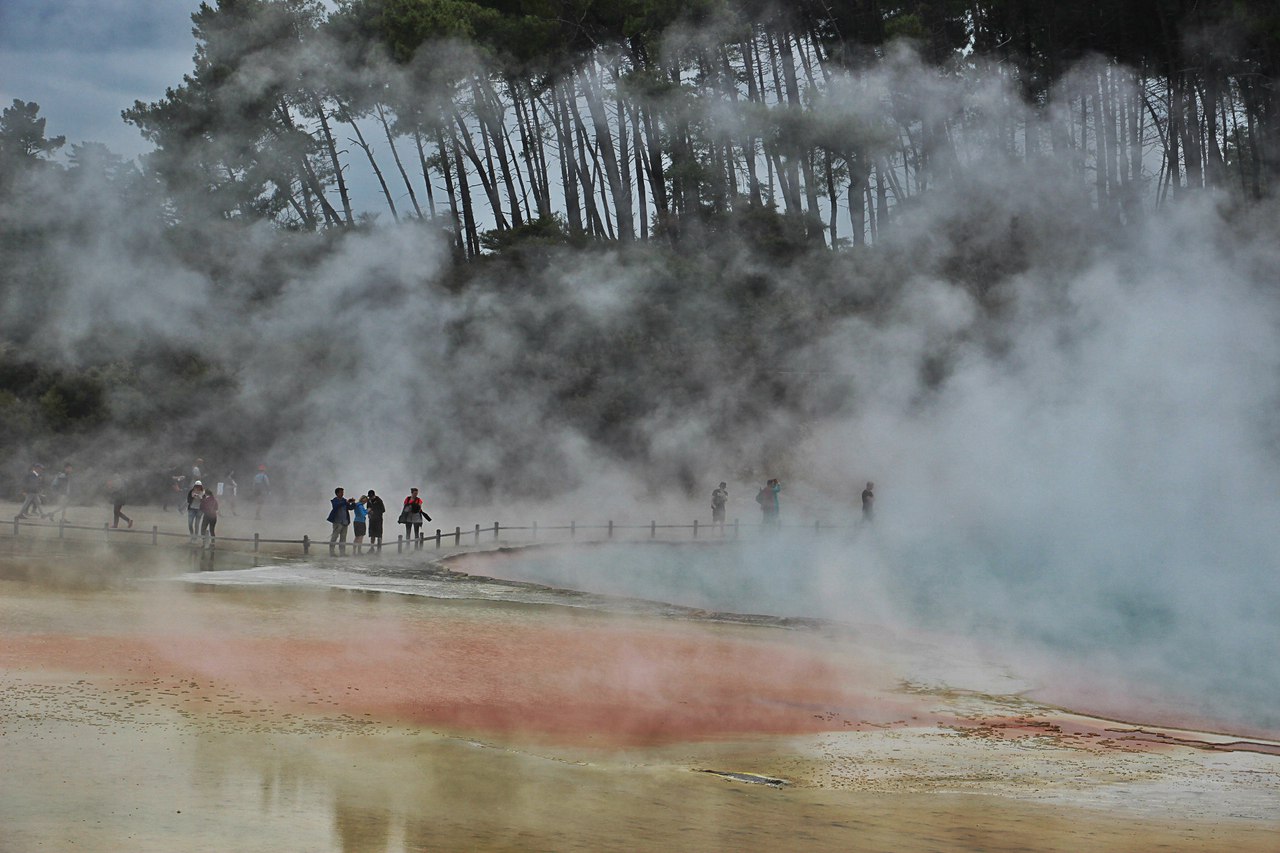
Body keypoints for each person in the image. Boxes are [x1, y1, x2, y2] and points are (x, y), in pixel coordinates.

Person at [328, 487, 355, 556]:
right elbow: (336, 506)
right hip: (337, 522)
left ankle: (342, 553)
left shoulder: (344, 500)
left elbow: (350, 508)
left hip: (345, 522)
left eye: (343, 492)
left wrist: (353, 503)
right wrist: (345, 502)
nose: (342, 494)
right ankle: (332, 552)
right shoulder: (335, 500)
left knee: (343, 538)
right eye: (341, 492)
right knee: (334, 537)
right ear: (337, 493)